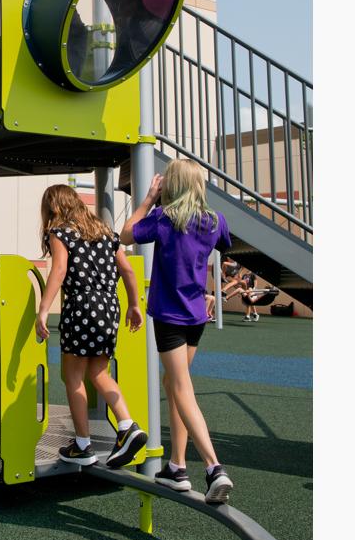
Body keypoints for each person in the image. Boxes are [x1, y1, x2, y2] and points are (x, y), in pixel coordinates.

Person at [122, 160, 236, 504]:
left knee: (181, 387)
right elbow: (223, 249)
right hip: (195, 316)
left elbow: (127, 234)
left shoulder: (163, 218)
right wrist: (209, 288)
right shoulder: (215, 221)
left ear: (170, 184)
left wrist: (147, 199)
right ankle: (177, 466)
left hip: (170, 315)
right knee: (174, 384)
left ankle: (214, 467)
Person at [35, 184, 148, 469]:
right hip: (109, 306)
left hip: (81, 305)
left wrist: (44, 309)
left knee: (73, 377)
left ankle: (83, 445)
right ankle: (126, 424)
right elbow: (128, 270)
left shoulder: (60, 232)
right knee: (98, 371)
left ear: (53, 208)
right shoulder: (106, 233)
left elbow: (60, 270)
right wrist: (135, 304)